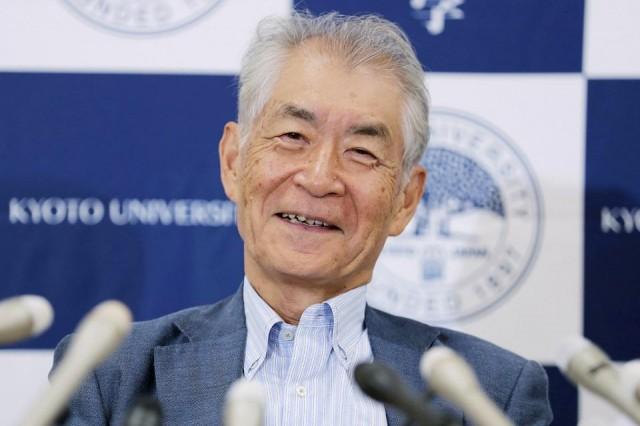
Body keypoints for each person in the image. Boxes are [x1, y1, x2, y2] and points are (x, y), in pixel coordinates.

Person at [53, 12, 552, 425]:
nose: (319, 178)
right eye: (293, 137)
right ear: (233, 162)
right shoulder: (110, 376)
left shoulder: (489, 392)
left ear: (405, 199)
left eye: (361, 151)